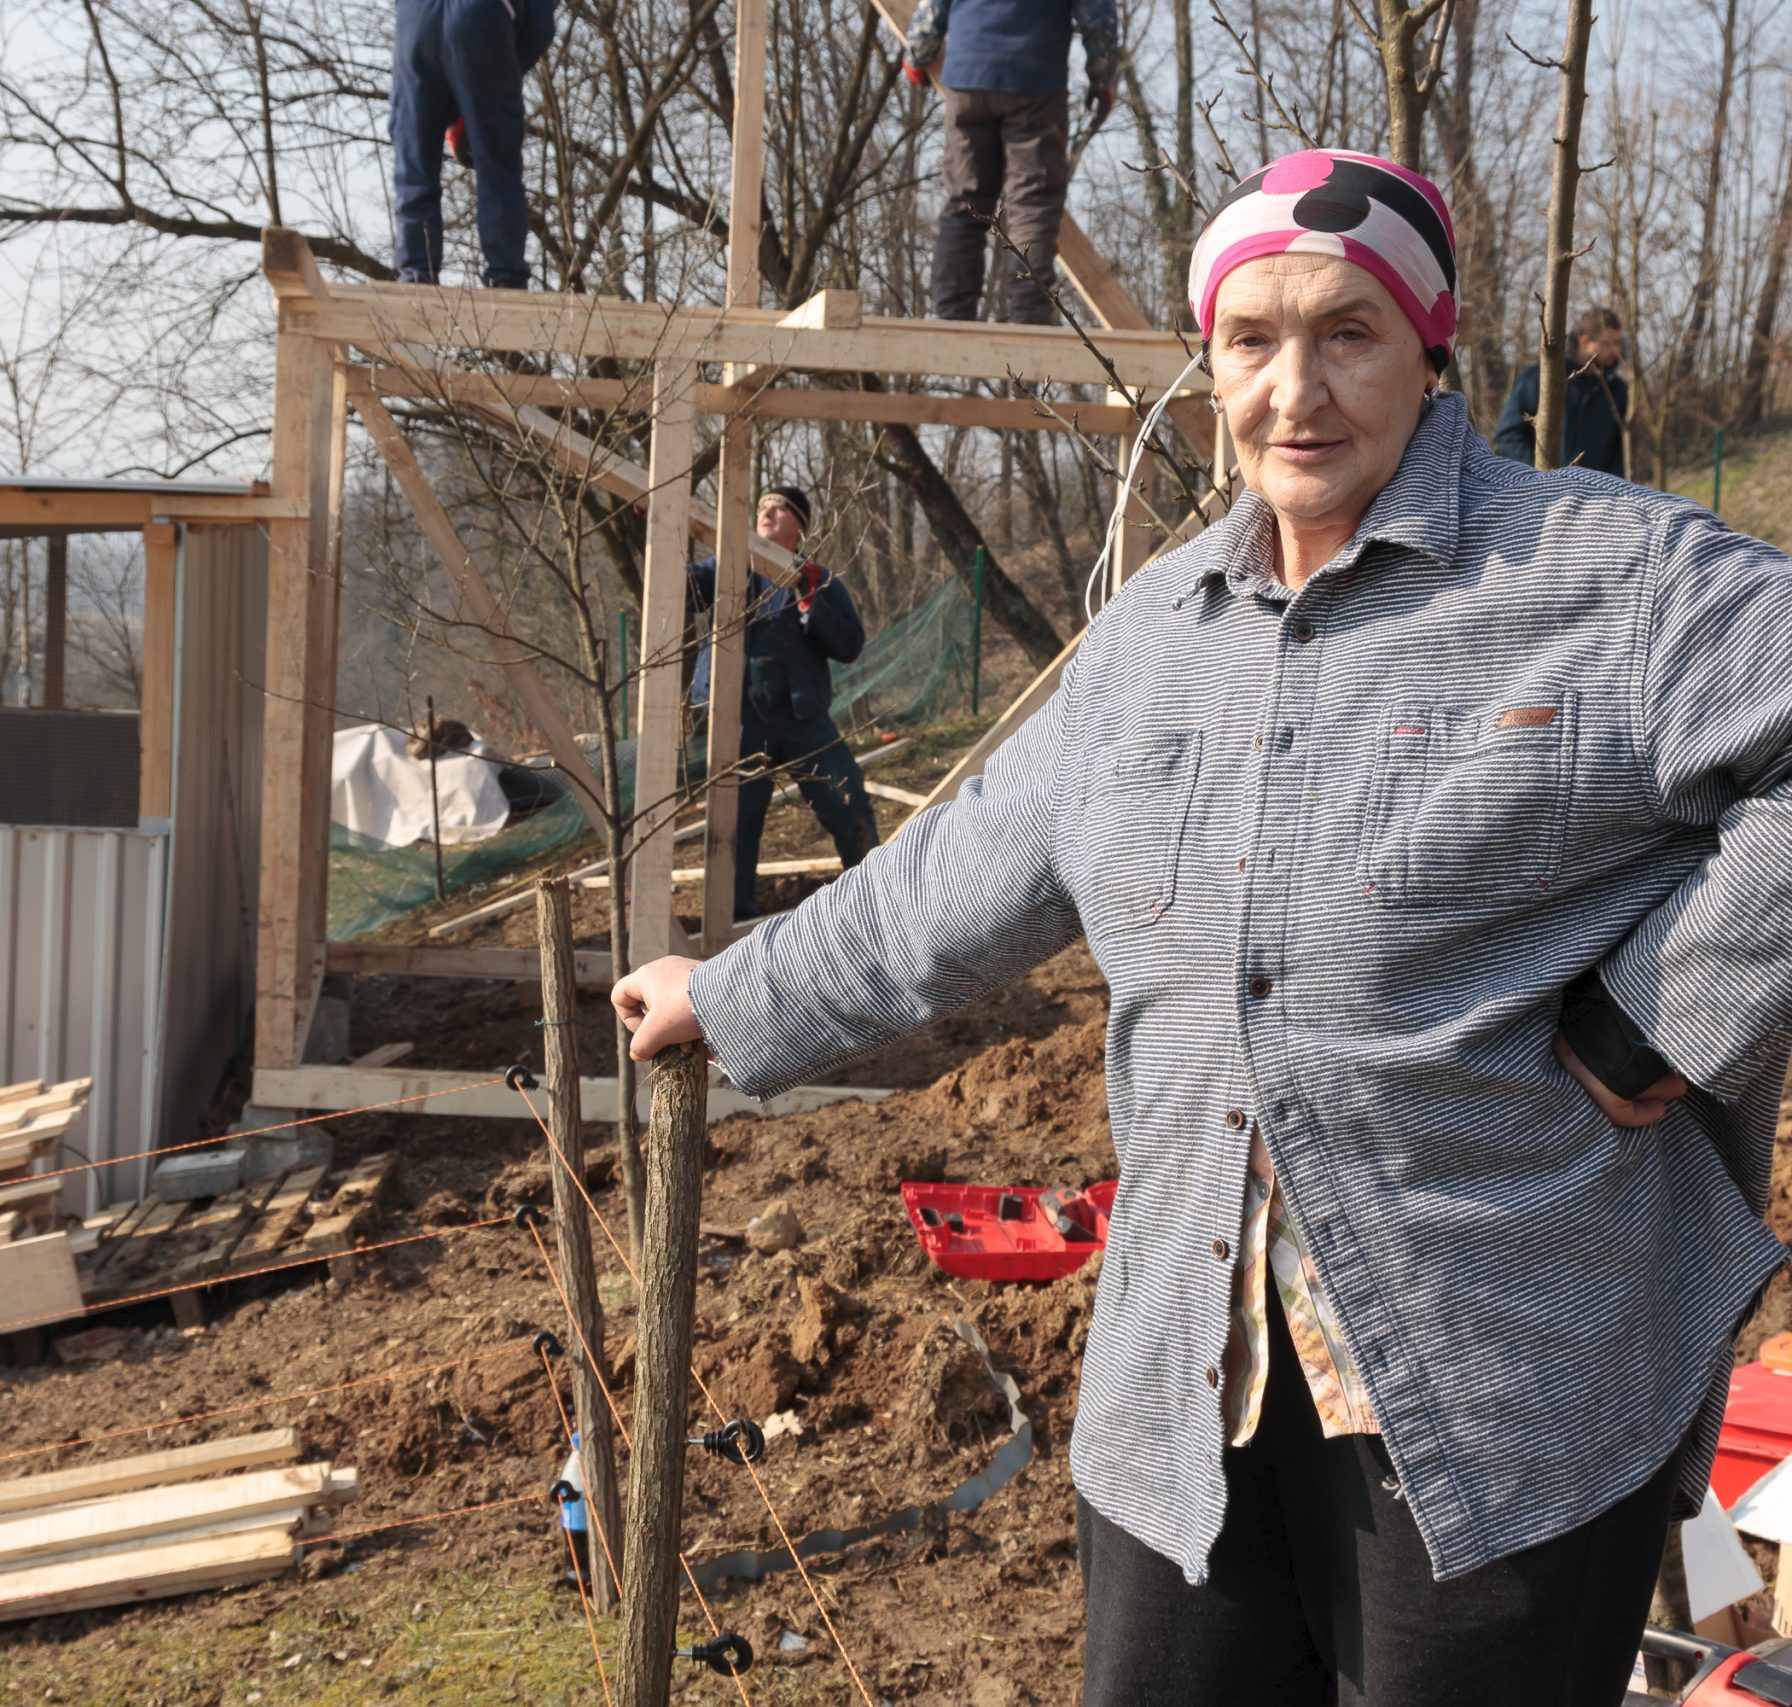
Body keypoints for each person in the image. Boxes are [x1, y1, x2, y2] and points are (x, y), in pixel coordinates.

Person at [616, 148, 1792, 1706]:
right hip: (1191, 1381)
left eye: (1349, 332)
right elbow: (962, 867)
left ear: (1431, 348)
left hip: (1509, 1368)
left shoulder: (1609, 577)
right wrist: (740, 990)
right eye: (1252, 339)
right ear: (1210, 358)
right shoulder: (1158, 633)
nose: (1295, 388)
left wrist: (1663, 1008)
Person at [688, 485, 880, 922]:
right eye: (761, 507)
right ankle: (732, 924)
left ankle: (876, 902)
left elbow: (849, 645)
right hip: (736, 724)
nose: (766, 512)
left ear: (800, 526)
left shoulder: (818, 579)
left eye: (779, 507)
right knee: (731, 833)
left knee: (849, 805)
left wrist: (810, 598)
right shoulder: (729, 567)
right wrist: (667, 531)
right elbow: (678, 589)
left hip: (802, 720)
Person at [901, 0, 1119, 324]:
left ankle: (952, 316)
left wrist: (916, 55)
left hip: (968, 76)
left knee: (965, 199)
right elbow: (1096, 13)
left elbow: (934, 7)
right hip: (1035, 79)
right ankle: (1030, 317)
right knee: (1033, 202)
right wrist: (1102, 78)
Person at [391, 0, 555, 289]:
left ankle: (416, 272)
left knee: (414, 158)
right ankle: (505, 275)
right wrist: (505, 72)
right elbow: (540, 28)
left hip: (414, 16)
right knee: (497, 162)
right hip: (482, 13)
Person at [1494, 305, 1631, 475]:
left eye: (1619, 342)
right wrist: (1540, 477)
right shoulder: (1540, 379)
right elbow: (1509, 435)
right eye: (1609, 343)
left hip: (1598, 496)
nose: (1616, 350)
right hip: (1543, 492)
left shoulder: (1618, 391)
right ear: (1585, 341)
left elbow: (1620, 452)